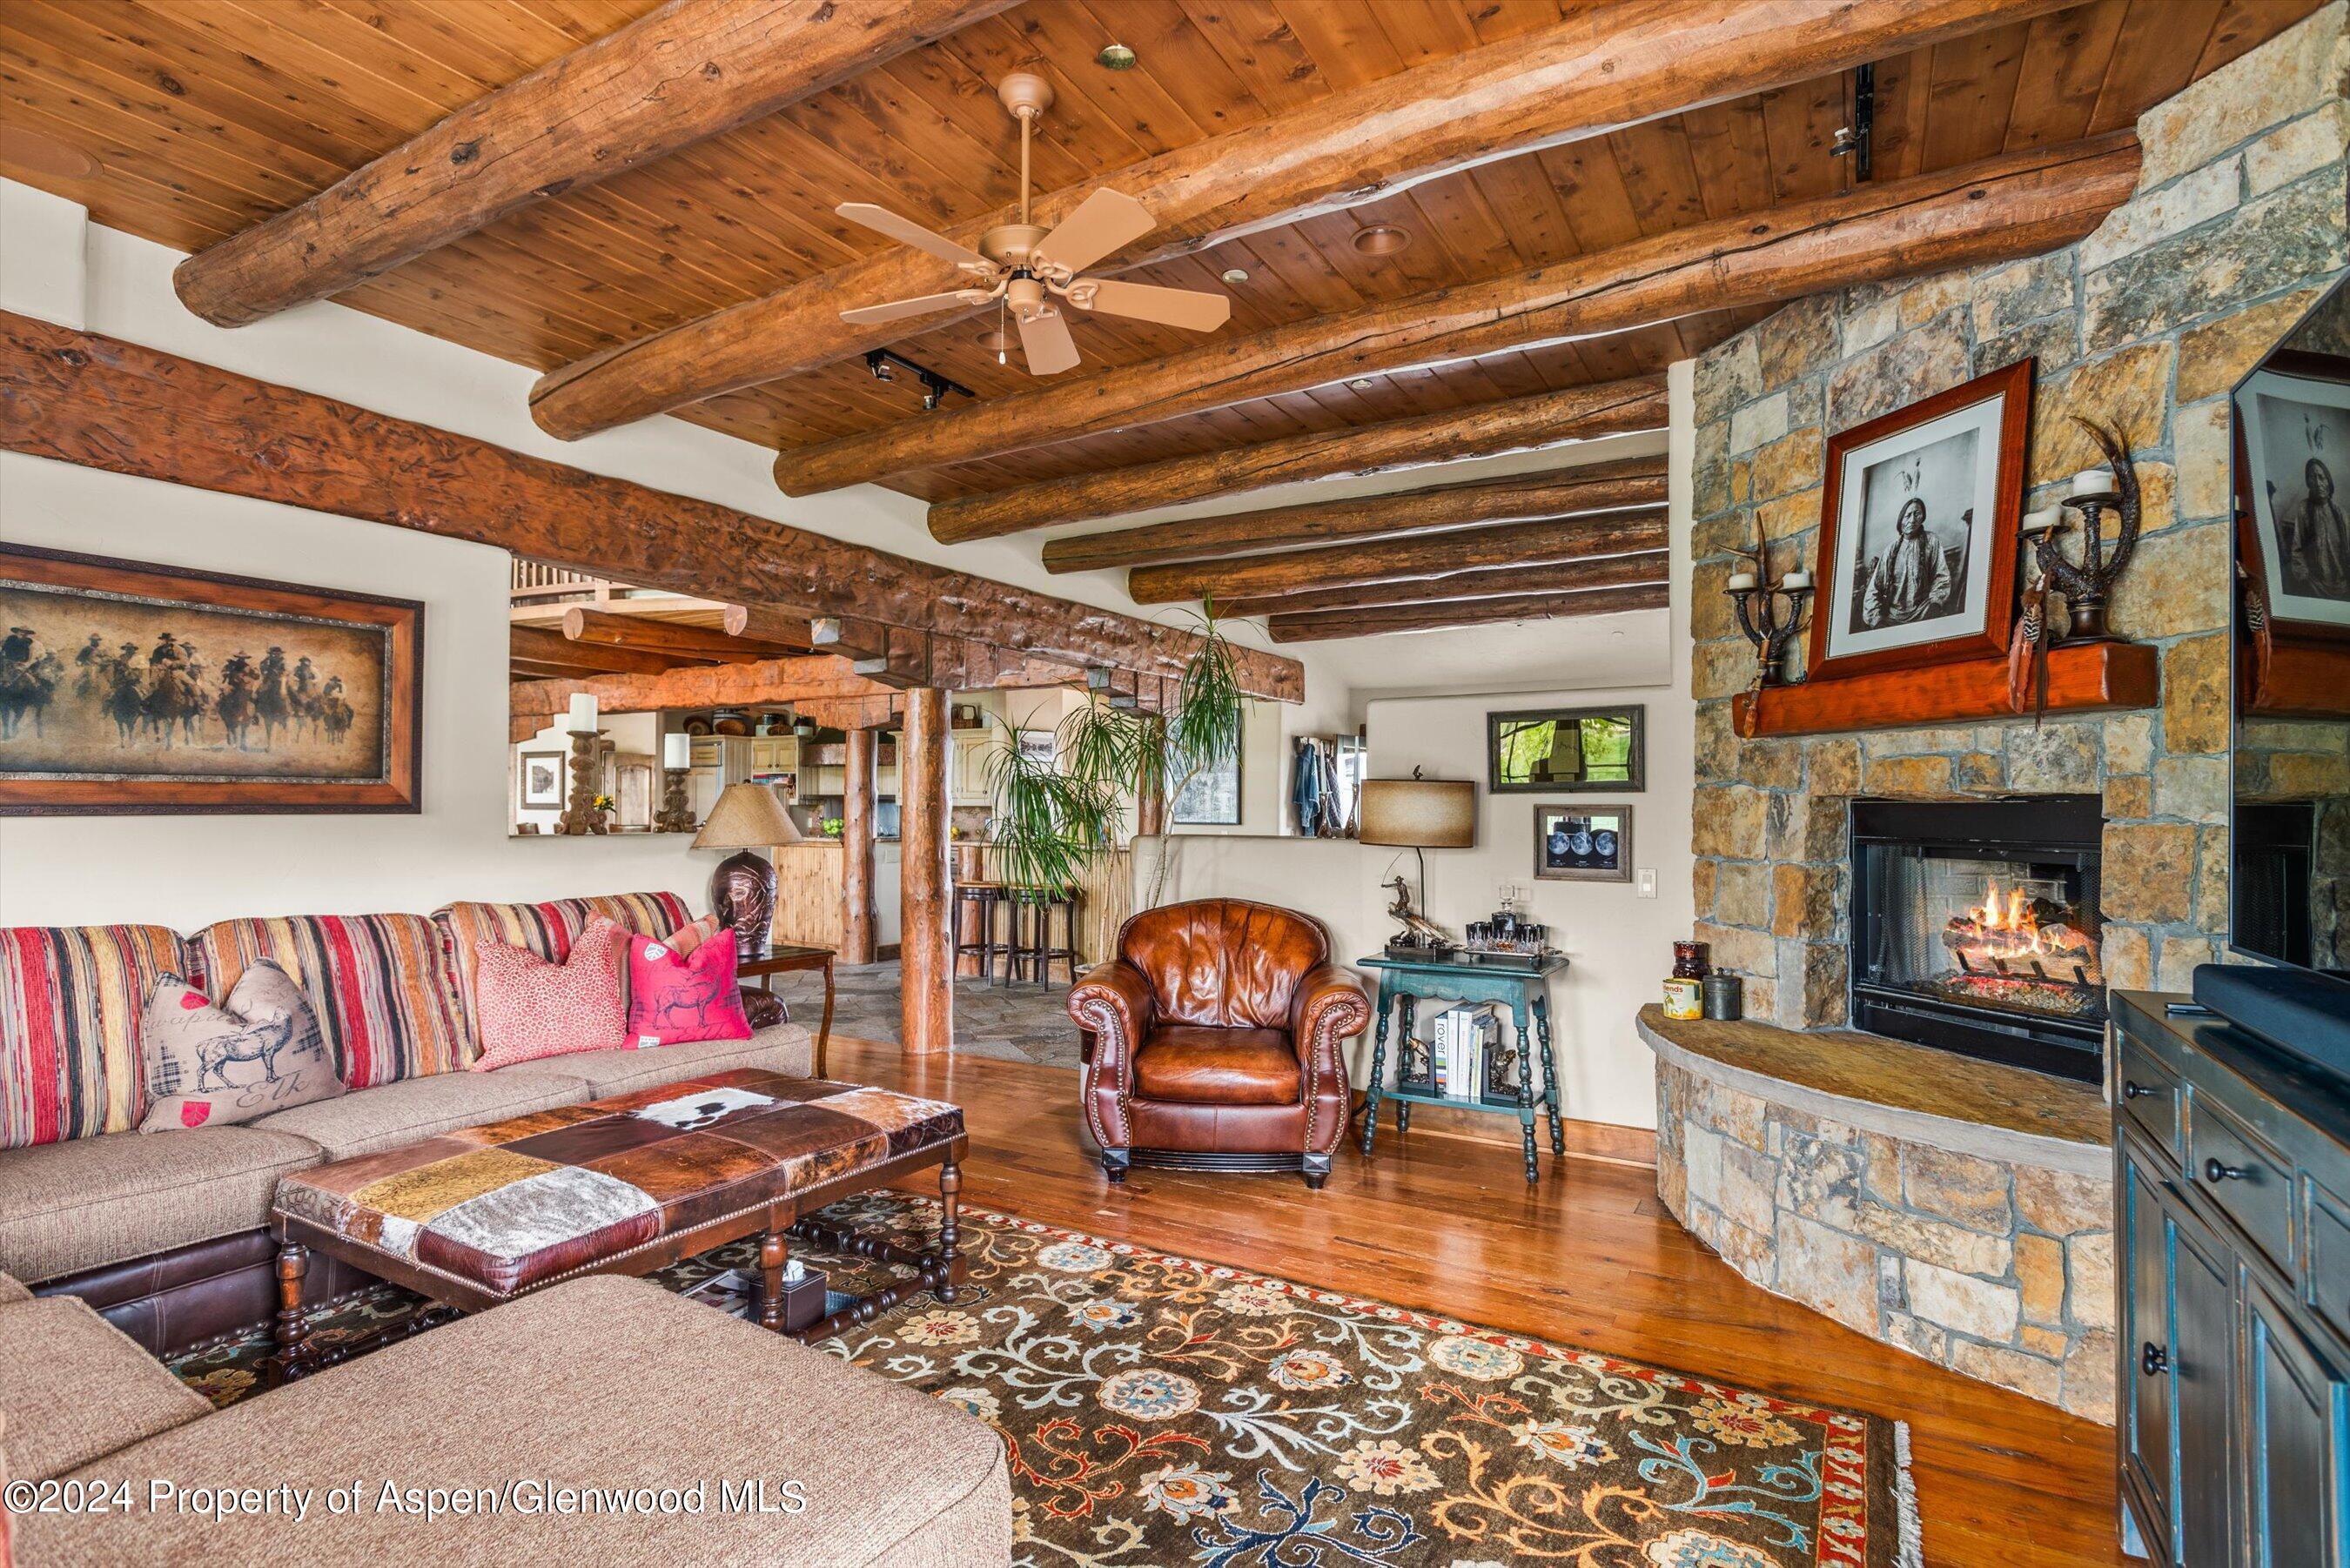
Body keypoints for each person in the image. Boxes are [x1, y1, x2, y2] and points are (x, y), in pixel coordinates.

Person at [1859, 497, 1961, 628]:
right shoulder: (1891, 549)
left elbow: (1942, 577)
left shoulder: (1932, 541)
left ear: (1923, 517)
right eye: (1908, 515)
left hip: (1924, 611)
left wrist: (1935, 603)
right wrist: (1877, 620)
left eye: (1917, 514)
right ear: (1901, 520)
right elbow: (1874, 589)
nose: (1912, 520)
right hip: (1892, 617)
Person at [2277, 455, 2350, 600]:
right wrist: (2304, 575)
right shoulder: (2304, 509)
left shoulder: (2340, 512)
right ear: (2308, 483)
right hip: (2315, 585)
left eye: (2321, 477)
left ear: (2328, 481)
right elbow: (2297, 548)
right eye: (2312, 478)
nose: (2317, 483)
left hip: (2343, 584)